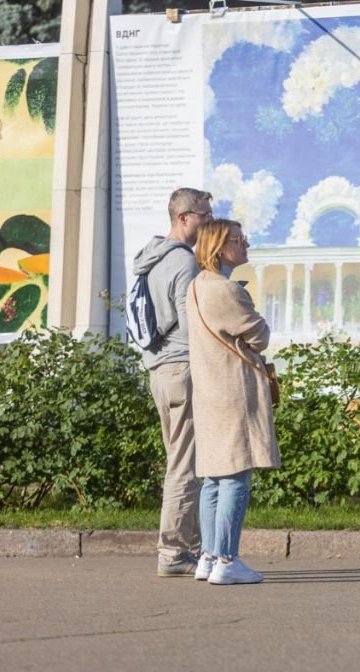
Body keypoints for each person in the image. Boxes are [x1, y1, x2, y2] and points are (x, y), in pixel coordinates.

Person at [186, 218, 280, 585]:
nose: (246, 245)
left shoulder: (197, 285)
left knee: (214, 478)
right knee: (237, 477)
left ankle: (209, 557)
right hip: (233, 393)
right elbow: (260, 336)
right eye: (239, 240)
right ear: (219, 246)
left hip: (210, 392)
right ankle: (227, 559)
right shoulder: (226, 290)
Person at [132, 188, 212, 577]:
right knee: (184, 465)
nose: (208, 223)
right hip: (183, 367)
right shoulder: (183, 262)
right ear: (184, 217)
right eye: (204, 216)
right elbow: (192, 320)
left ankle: (188, 549)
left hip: (160, 370)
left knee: (179, 460)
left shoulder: (152, 258)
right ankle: (174, 553)